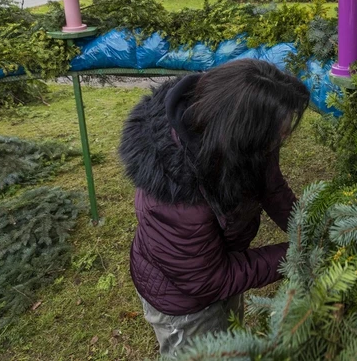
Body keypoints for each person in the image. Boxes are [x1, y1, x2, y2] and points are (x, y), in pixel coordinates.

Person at [119, 59, 310, 357]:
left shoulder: (242, 138)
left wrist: (307, 231)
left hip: (219, 262)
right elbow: (209, 279)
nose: (282, 139)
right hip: (183, 303)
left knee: (230, 339)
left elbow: (271, 186)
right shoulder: (178, 202)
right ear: (243, 133)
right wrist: (296, 253)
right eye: (279, 133)